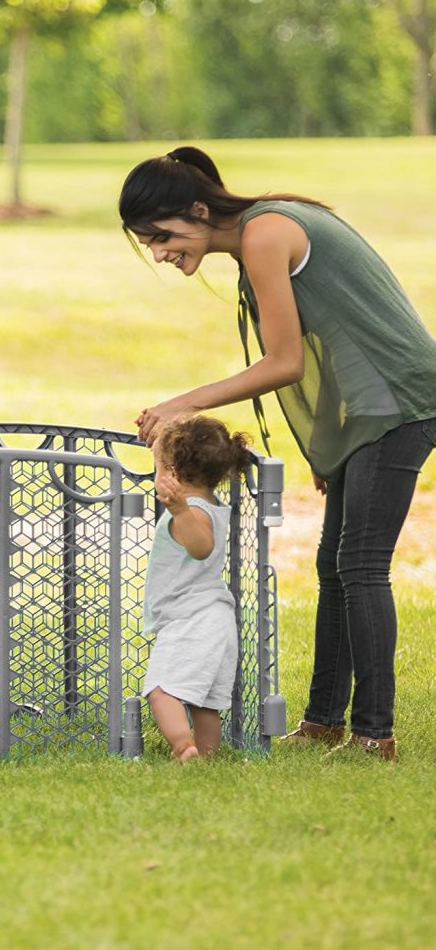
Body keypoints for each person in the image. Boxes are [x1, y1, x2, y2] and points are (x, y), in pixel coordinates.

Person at [119, 146, 436, 761]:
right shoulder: (259, 233)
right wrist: (329, 445)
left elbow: (286, 362)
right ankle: (323, 720)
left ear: (200, 209)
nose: (159, 252)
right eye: (147, 243)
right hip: (370, 407)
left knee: (361, 565)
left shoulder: (266, 233)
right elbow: (328, 343)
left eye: (162, 235)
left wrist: (182, 403)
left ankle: (375, 733)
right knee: (333, 566)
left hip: (401, 401)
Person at [142, 416, 252, 761]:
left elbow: (201, 546)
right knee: (205, 701)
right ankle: (206, 756)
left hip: (192, 619)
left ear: (173, 472)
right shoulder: (211, 503)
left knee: (161, 691)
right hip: (213, 618)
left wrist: (179, 510)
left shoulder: (194, 513)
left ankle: (183, 746)